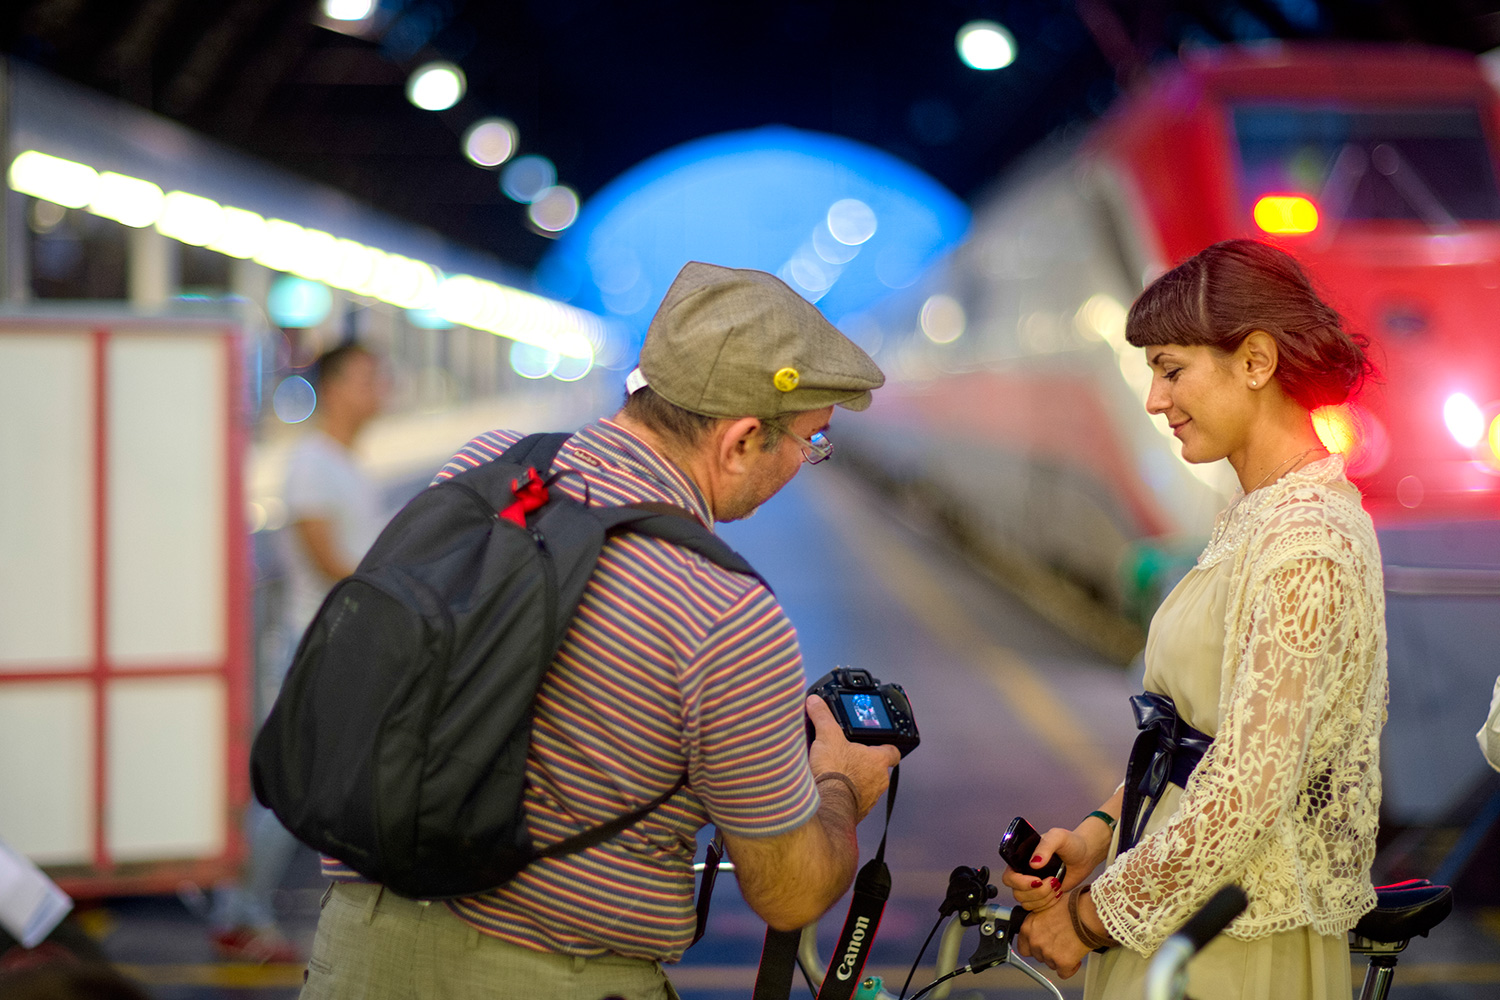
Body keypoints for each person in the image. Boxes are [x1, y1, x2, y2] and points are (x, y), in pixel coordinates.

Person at [298, 261, 902, 1000]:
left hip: (356, 953)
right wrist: (840, 784)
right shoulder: (726, 611)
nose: (805, 464)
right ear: (741, 440)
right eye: (810, 443)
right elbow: (789, 892)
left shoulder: (483, 471)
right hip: (548, 981)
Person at [1001, 239, 1386, 999]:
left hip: (1233, 946)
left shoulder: (1306, 543)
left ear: (1255, 361)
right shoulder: (1257, 515)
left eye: (1171, 369)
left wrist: (1085, 923)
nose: (1154, 400)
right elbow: (1190, 739)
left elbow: (1244, 792)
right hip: (1180, 910)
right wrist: (1094, 833)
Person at [209, 343, 387, 962]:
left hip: (343, 647)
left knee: (322, 787)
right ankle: (240, 912)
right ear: (334, 387)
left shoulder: (346, 462)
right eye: (368, 376)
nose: (381, 389)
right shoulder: (313, 462)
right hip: (318, 648)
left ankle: (248, 910)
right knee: (292, 790)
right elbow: (329, 559)